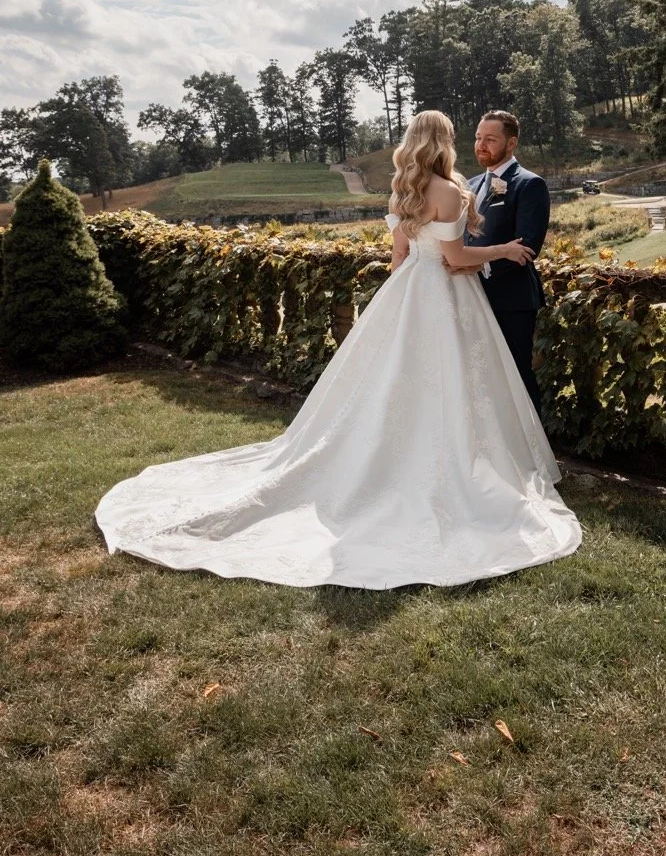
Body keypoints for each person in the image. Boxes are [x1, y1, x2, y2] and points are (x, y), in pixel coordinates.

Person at [94, 110, 582, 588]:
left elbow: (399, 259)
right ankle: (461, 464)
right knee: (454, 380)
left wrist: (402, 306)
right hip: (447, 295)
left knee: (398, 380)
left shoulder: (403, 189)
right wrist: (498, 251)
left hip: (408, 291)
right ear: (445, 143)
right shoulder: (451, 191)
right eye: (462, 137)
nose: (471, 144)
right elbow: (455, 258)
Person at [446, 111, 550, 413]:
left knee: (516, 373)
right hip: (470, 297)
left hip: (512, 299)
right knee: (479, 376)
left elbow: (528, 246)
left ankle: (534, 449)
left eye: (490, 139)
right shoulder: (471, 184)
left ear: (511, 142)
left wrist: (478, 265)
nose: (481, 145)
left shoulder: (530, 185)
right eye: (479, 138)